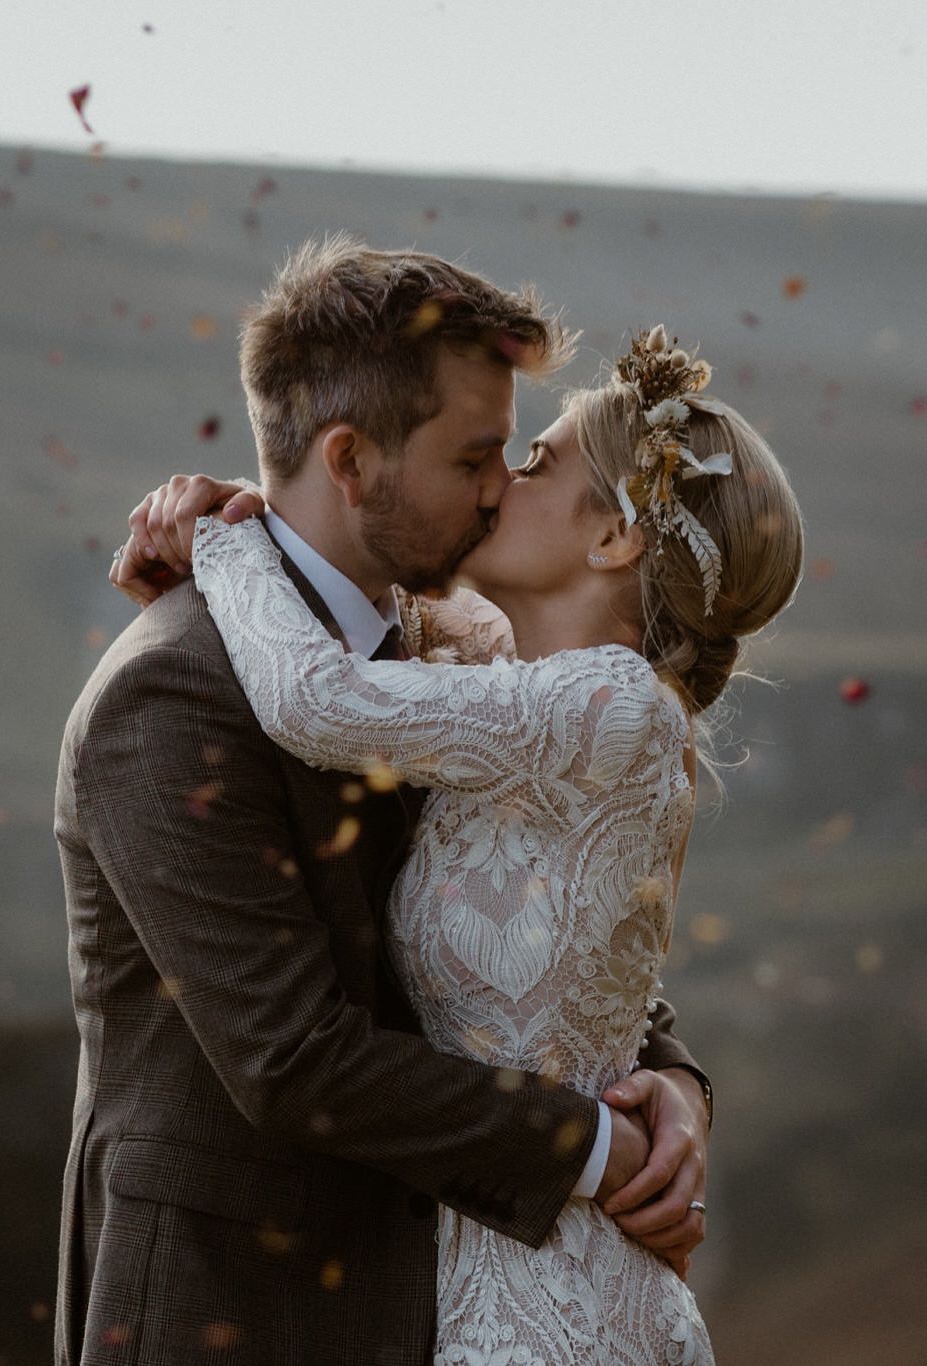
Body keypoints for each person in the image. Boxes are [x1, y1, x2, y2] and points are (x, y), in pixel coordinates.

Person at [55, 236, 720, 1365]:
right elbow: (291, 1059)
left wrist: (672, 1090)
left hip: (440, 1308)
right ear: (352, 461)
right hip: (237, 1316)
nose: (499, 489)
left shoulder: (446, 657)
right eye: (474, 457)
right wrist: (594, 1151)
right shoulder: (172, 688)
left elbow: (549, 924)